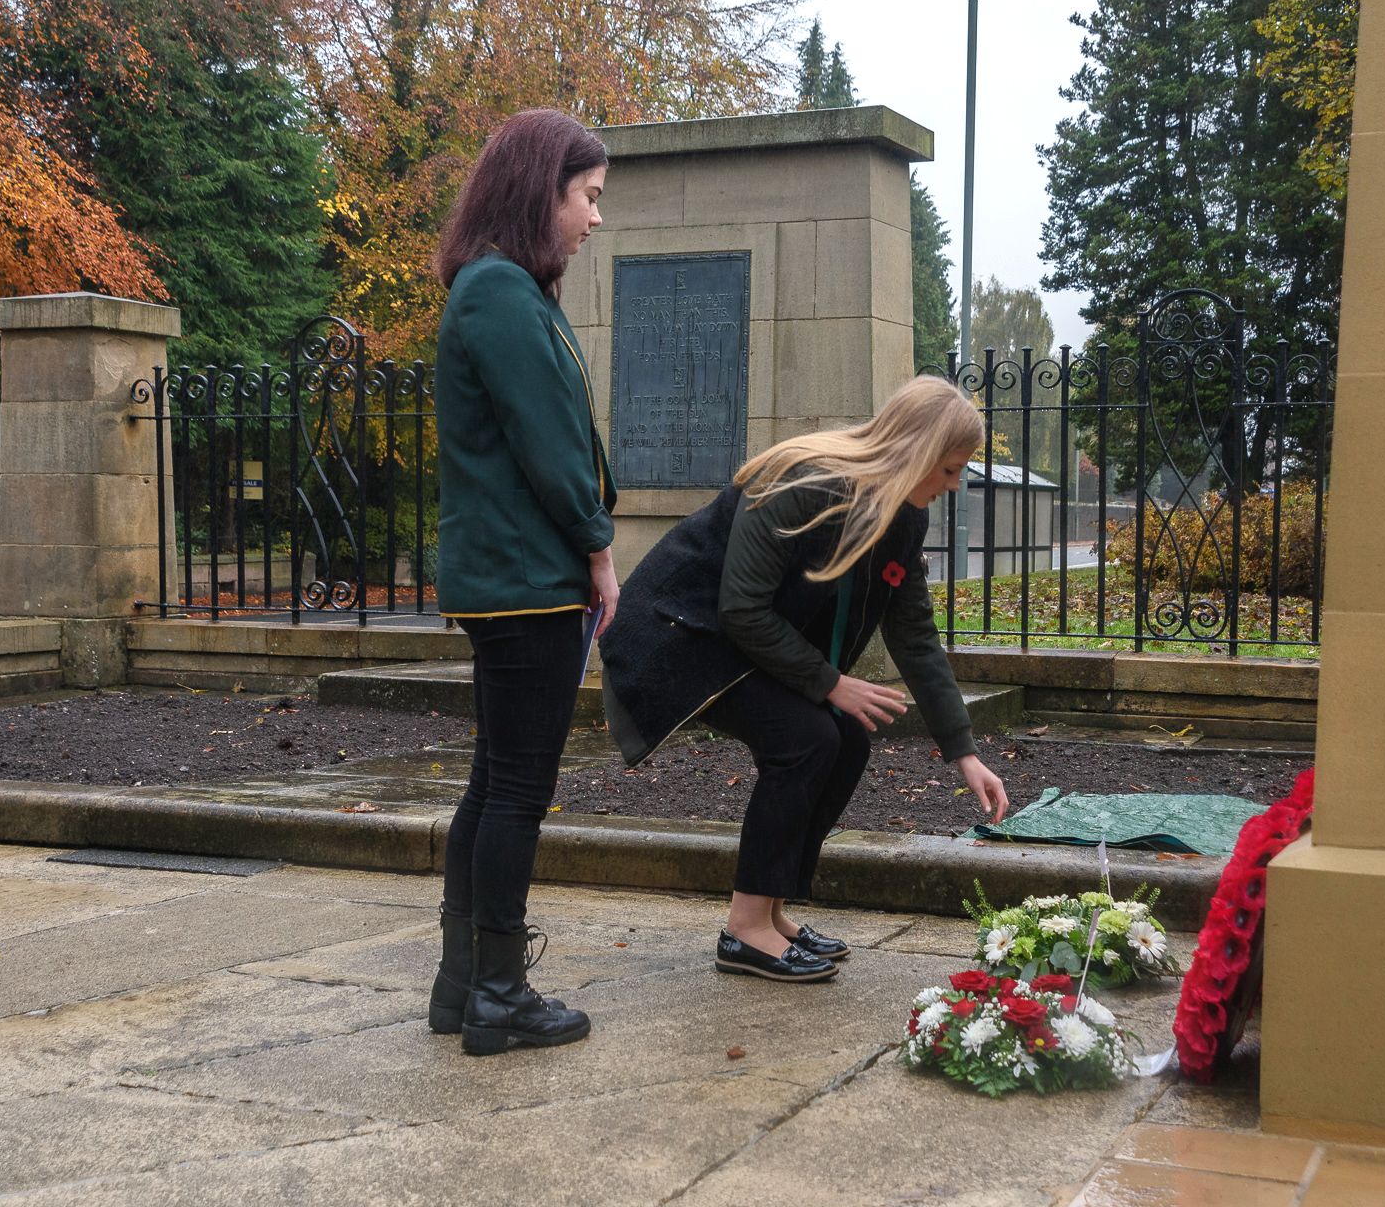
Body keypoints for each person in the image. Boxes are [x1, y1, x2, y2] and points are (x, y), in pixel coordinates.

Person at [601, 377, 1011, 982]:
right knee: (807, 738)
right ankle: (745, 930)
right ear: (917, 451)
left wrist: (964, 752)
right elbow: (742, 609)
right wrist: (830, 683)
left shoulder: (903, 515)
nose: (953, 485)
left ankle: (769, 911)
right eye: (949, 469)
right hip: (678, 637)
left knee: (846, 740)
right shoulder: (800, 483)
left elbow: (915, 635)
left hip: (737, 641)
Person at [428, 109, 617, 1056]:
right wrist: (598, 548)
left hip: (508, 577)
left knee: (492, 785)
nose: (594, 219)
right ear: (542, 191)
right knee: (516, 794)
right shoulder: (501, 291)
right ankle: (499, 994)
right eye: (587, 197)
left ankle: (465, 983)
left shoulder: (497, 286)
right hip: (526, 581)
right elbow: (551, 444)